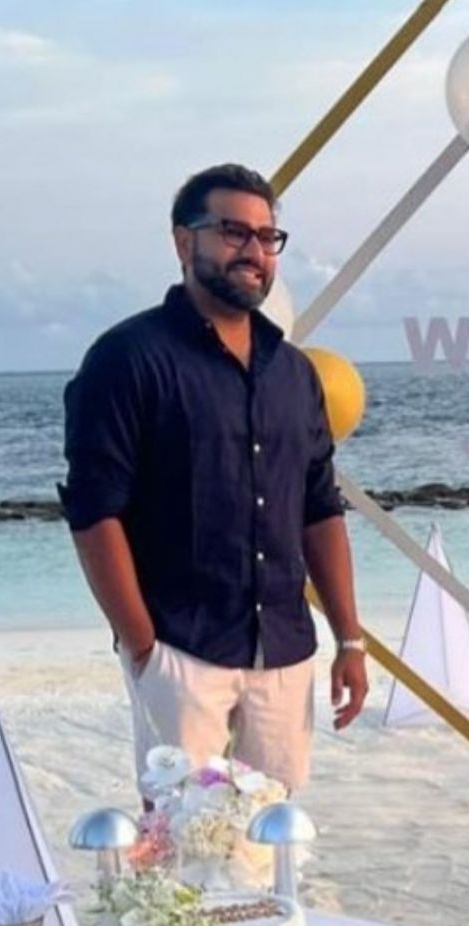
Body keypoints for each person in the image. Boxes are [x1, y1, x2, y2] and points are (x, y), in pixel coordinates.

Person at [60, 163, 368, 797]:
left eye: (267, 237)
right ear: (184, 242)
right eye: (234, 232)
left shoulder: (293, 374)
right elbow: (94, 512)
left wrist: (351, 638)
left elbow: (320, 508)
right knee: (178, 849)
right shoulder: (127, 360)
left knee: (274, 844)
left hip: (283, 653)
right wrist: (144, 648)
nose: (254, 252)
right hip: (181, 650)